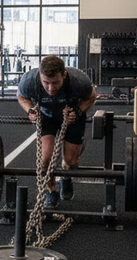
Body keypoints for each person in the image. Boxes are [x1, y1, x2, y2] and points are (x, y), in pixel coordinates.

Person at [16, 55, 97, 208]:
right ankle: (52, 191)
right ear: (40, 76)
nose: (51, 88)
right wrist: (30, 110)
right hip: (46, 116)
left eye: (55, 83)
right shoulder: (29, 81)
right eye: (46, 83)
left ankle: (66, 178)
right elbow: (21, 96)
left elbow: (92, 96)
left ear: (64, 75)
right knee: (45, 160)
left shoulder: (79, 81)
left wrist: (78, 111)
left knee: (70, 162)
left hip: (71, 115)